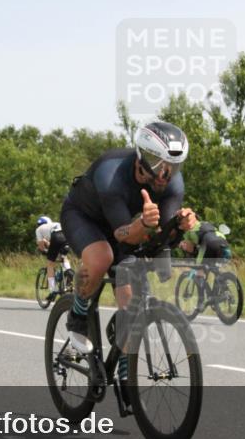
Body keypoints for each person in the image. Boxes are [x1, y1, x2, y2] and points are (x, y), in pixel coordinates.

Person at [60, 121, 198, 354]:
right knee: (102, 257)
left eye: (174, 166)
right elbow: (124, 235)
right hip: (84, 217)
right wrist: (143, 224)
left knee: (131, 304)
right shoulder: (111, 173)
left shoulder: (173, 184)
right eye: (158, 163)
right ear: (141, 157)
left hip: (125, 224)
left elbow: (165, 233)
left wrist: (180, 224)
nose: (165, 174)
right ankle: (78, 315)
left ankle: (125, 376)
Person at [34, 216, 68, 297]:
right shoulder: (55, 224)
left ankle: (52, 290)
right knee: (63, 256)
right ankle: (68, 270)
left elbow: (41, 246)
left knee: (50, 263)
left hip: (56, 237)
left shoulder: (39, 230)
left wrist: (44, 251)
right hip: (67, 234)